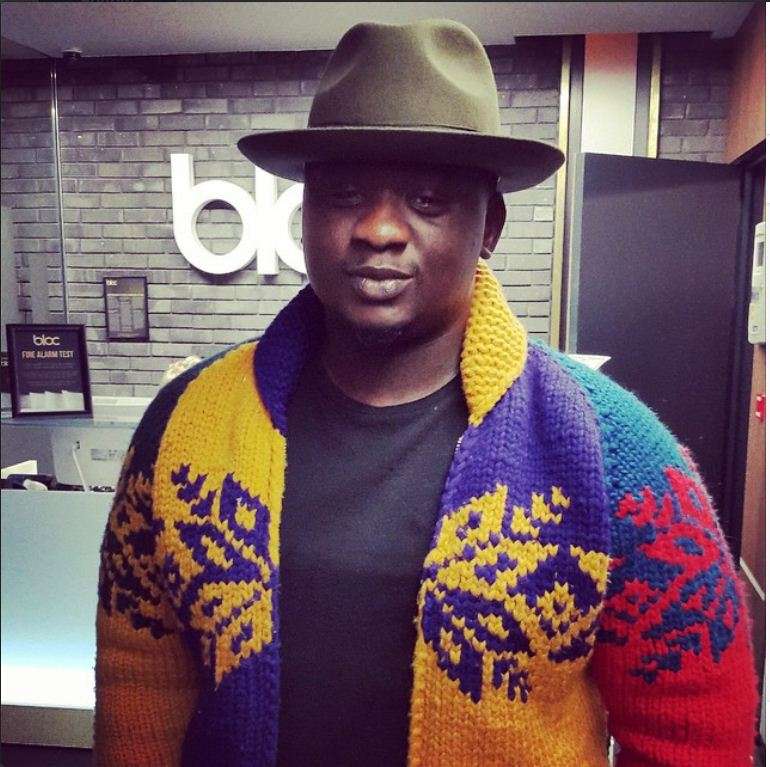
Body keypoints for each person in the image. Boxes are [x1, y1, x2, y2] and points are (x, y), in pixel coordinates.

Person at [94, 18, 758, 767]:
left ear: (489, 227)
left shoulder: (613, 452)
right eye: (344, 194)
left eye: (428, 199)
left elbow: (697, 725)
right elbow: (137, 676)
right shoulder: (185, 423)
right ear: (305, 216)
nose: (379, 228)